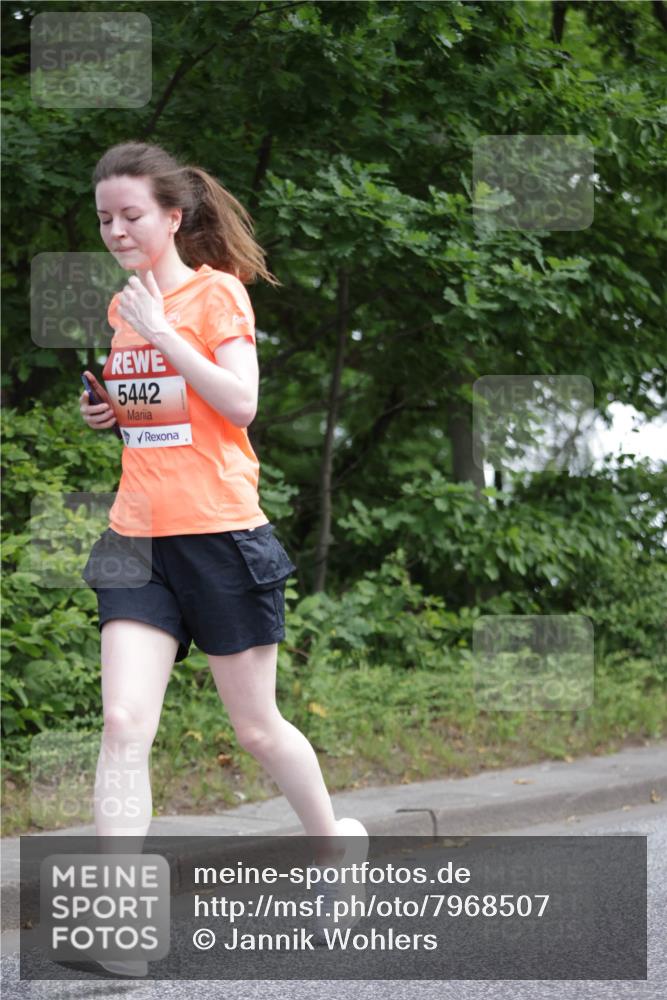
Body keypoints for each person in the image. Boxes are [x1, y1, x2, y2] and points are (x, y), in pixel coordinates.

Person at [78, 141, 368, 976]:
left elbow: (238, 403)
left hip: (221, 536)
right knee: (124, 723)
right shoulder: (119, 308)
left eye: (131, 215)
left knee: (255, 728)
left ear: (173, 216)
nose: (118, 230)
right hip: (139, 538)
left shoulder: (215, 295)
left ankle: (334, 848)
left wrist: (162, 334)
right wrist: (113, 412)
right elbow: (163, 423)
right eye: (105, 219)